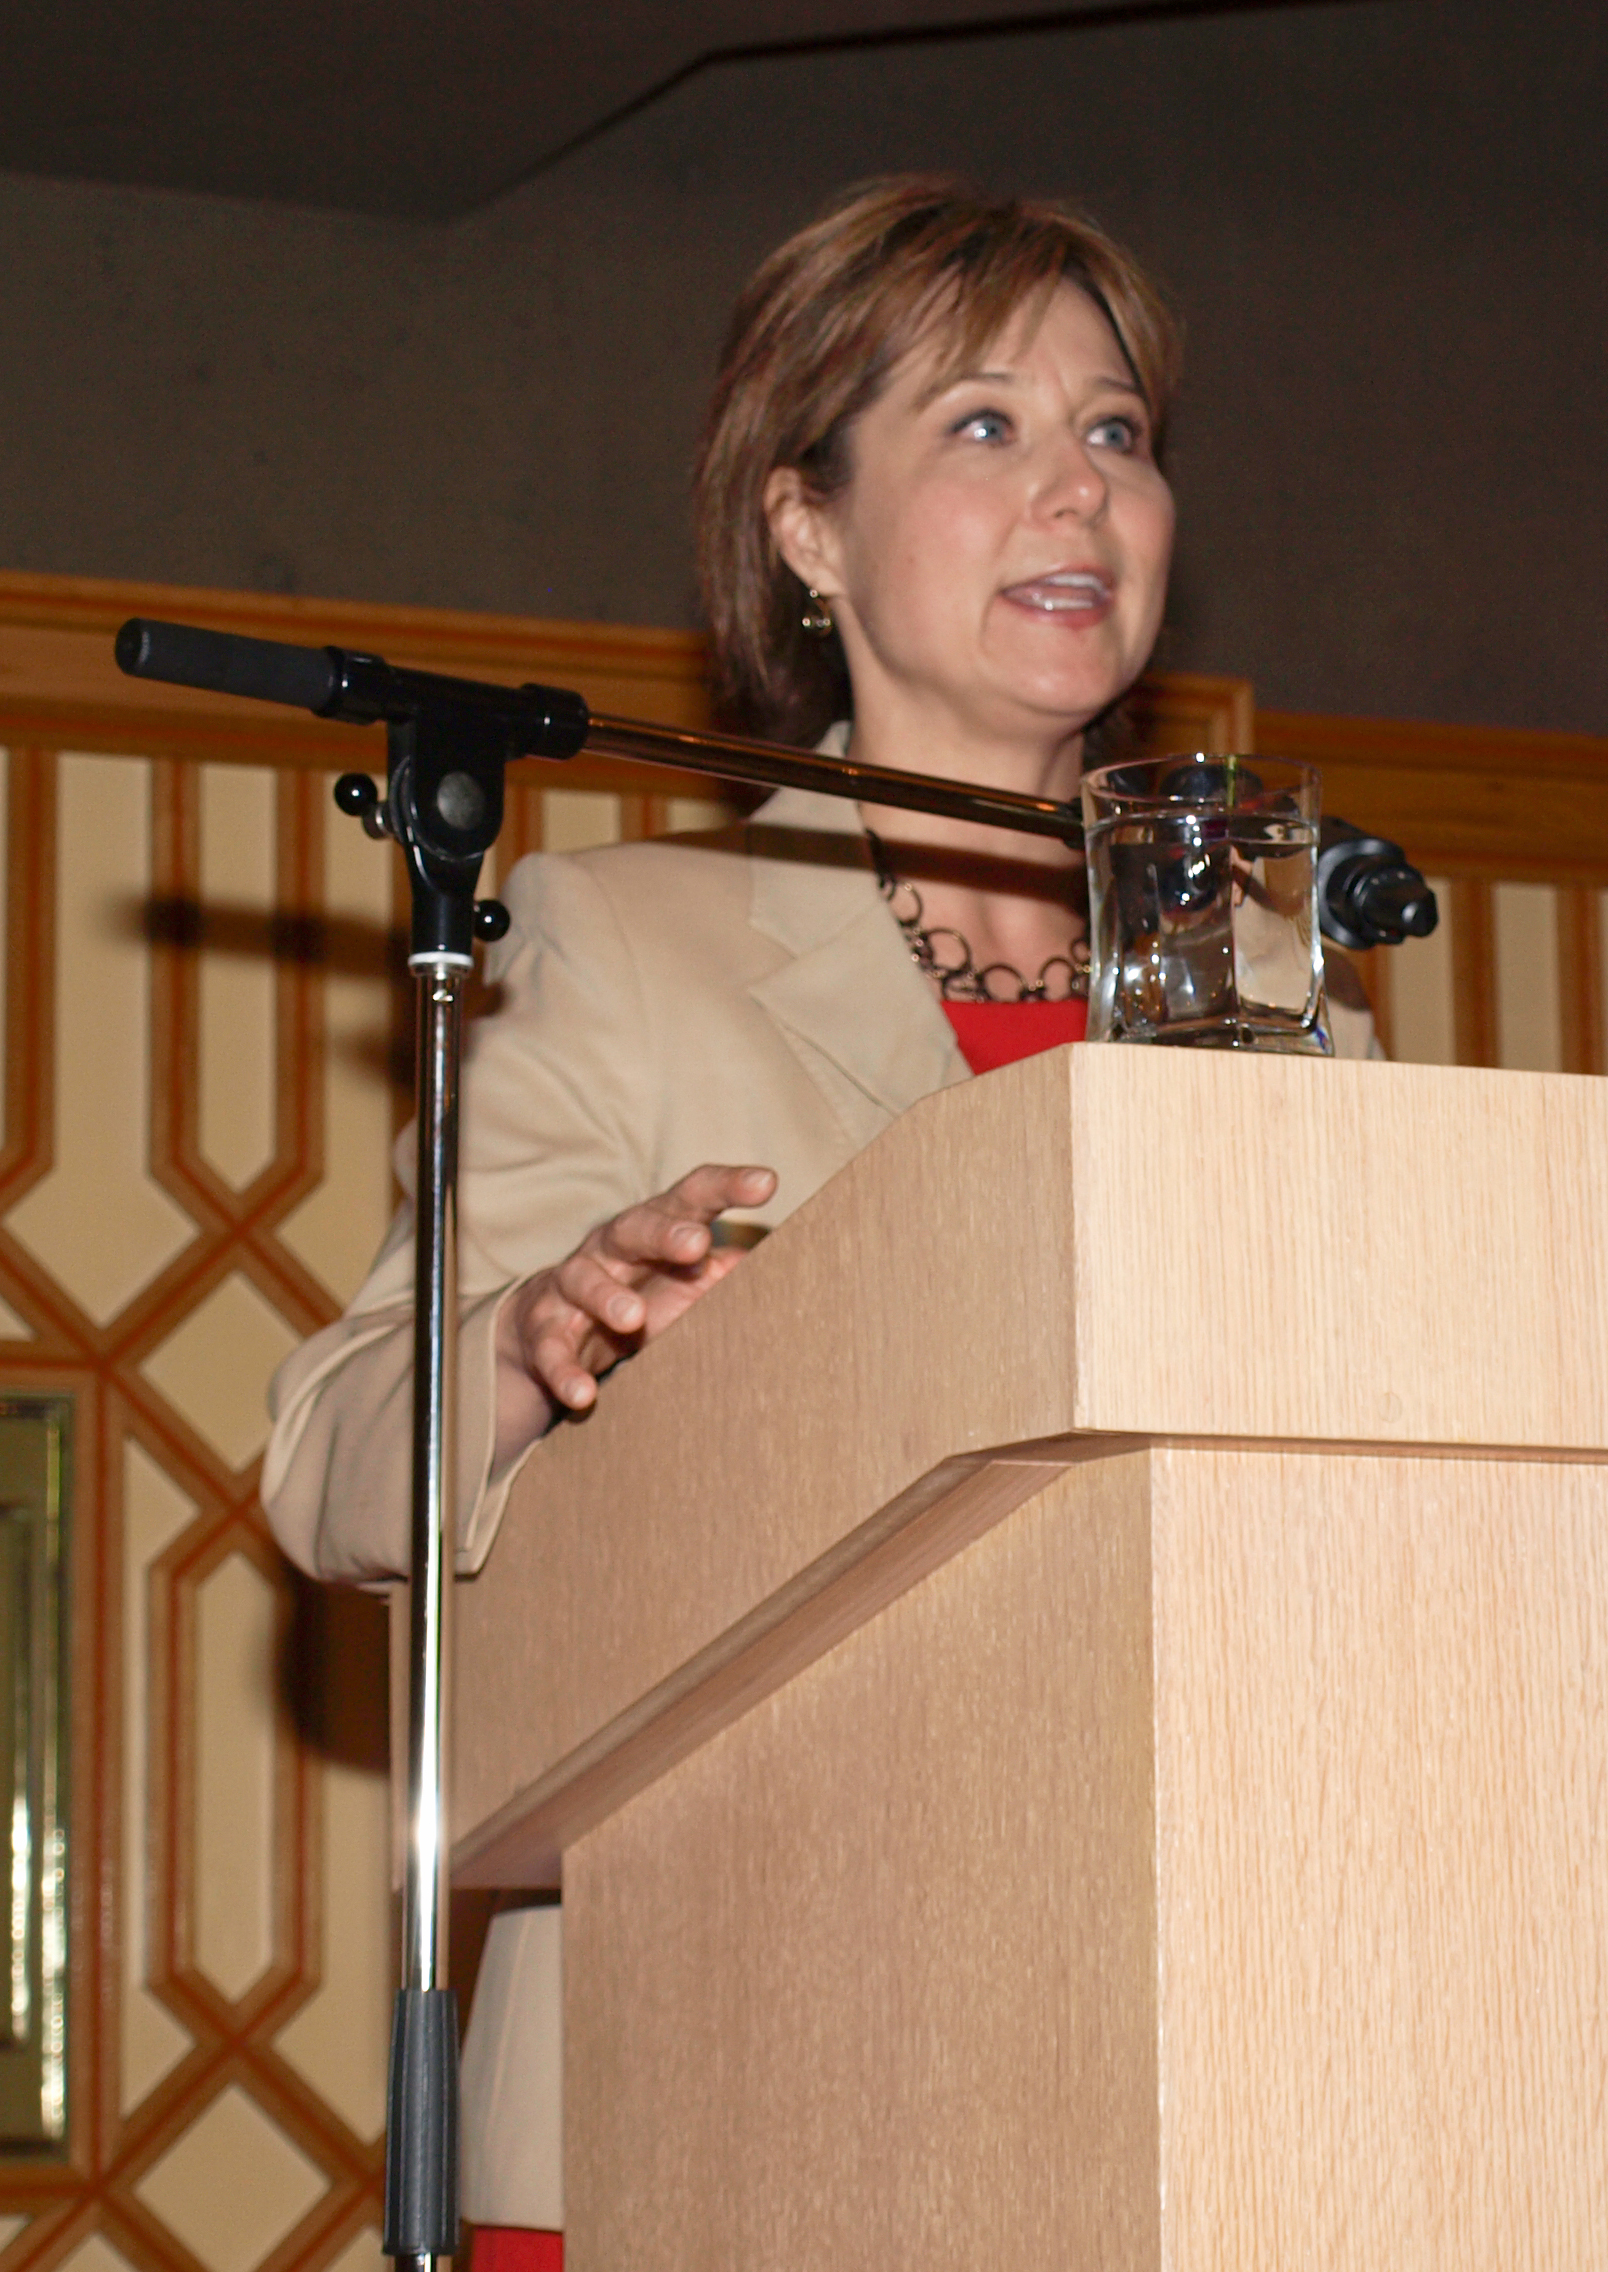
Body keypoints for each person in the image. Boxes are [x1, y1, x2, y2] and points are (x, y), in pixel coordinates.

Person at [257, 176, 1373, 2265]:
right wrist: (533, 1339)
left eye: (1116, 432)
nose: (1080, 488)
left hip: (1203, 2065)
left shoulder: (1297, 991)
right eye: (984, 425)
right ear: (804, 529)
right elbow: (329, 1452)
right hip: (712, 2087)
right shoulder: (629, 943)